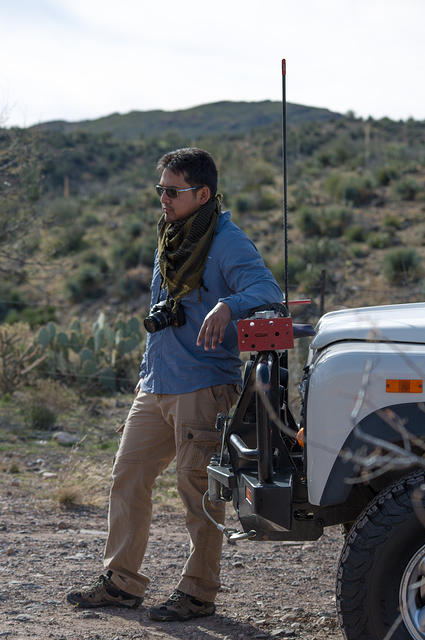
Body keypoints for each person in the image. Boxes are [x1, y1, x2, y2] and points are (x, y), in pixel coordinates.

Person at [67, 147, 284, 621]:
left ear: (202, 194)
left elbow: (269, 291)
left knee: (197, 490)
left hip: (203, 385)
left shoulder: (226, 240)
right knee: (128, 476)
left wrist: (228, 305)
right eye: (160, 190)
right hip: (157, 383)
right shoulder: (172, 235)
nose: (163, 199)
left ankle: (198, 592)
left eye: (172, 191)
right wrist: (147, 373)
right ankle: (121, 582)